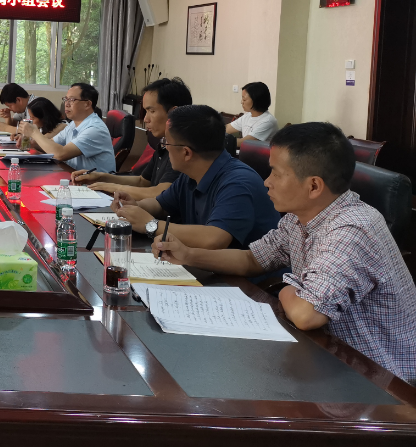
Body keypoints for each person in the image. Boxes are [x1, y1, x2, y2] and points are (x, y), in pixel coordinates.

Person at [156, 122, 416, 383]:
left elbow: (306, 314)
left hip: (381, 379)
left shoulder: (350, 230)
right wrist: (188, 255)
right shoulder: (300, 217)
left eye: (276, 174)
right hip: (327, 355)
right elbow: (251, 259)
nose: (266, 182)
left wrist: (286, 289)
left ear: (313, 186)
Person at [113, 104, 279, 249]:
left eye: (167, 142)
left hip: (243, 275)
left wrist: (151, 225)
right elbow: (162, 205)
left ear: (186, 153)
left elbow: (214, 239)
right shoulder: (192, 173)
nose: (165, 148)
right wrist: (134, 207)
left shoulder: (238, 182)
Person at [73, 77, 192, 200]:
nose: (146, 119)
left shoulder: (182, 150)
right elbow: (143, 181)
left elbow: (160, 193)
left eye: (152, 111)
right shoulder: (164, 143)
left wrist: (110, 187)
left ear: (173, 113)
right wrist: (100, 177)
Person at [19, 82, 115, 173]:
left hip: (93, 183)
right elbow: (51, 145)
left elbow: (60, 154)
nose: (67, 104)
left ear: (87, 104)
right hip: (73, 176)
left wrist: (34, 132)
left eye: (72, 100)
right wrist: (32, 143)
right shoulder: (73, 124)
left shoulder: (95, 129)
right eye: (66, 99)